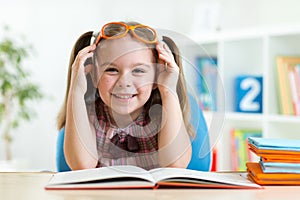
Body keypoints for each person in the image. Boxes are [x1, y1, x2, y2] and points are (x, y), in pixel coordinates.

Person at [57, 21, 195, 171]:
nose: (124, 82)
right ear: (94, 75)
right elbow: (81, 165)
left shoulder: (162, 116)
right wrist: (76, 91)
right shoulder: (90, 116)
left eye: (138, 71)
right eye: (112, 69)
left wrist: (168, 91)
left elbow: (176, 165)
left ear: (156, 77)